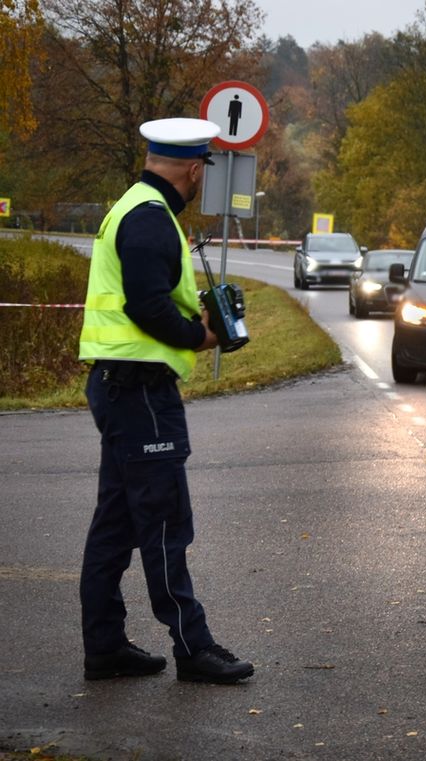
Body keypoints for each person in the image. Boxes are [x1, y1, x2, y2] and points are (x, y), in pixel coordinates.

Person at [77, 117, 254, 684]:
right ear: (194, 169)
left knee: (116, 524)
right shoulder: (152, 220)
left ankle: (105, 647)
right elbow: (146, 306)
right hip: (141, 393)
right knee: (163, 524)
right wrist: (201, 334)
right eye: (203, 169)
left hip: (119, 385)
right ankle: (193, 648)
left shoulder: (131, 206)